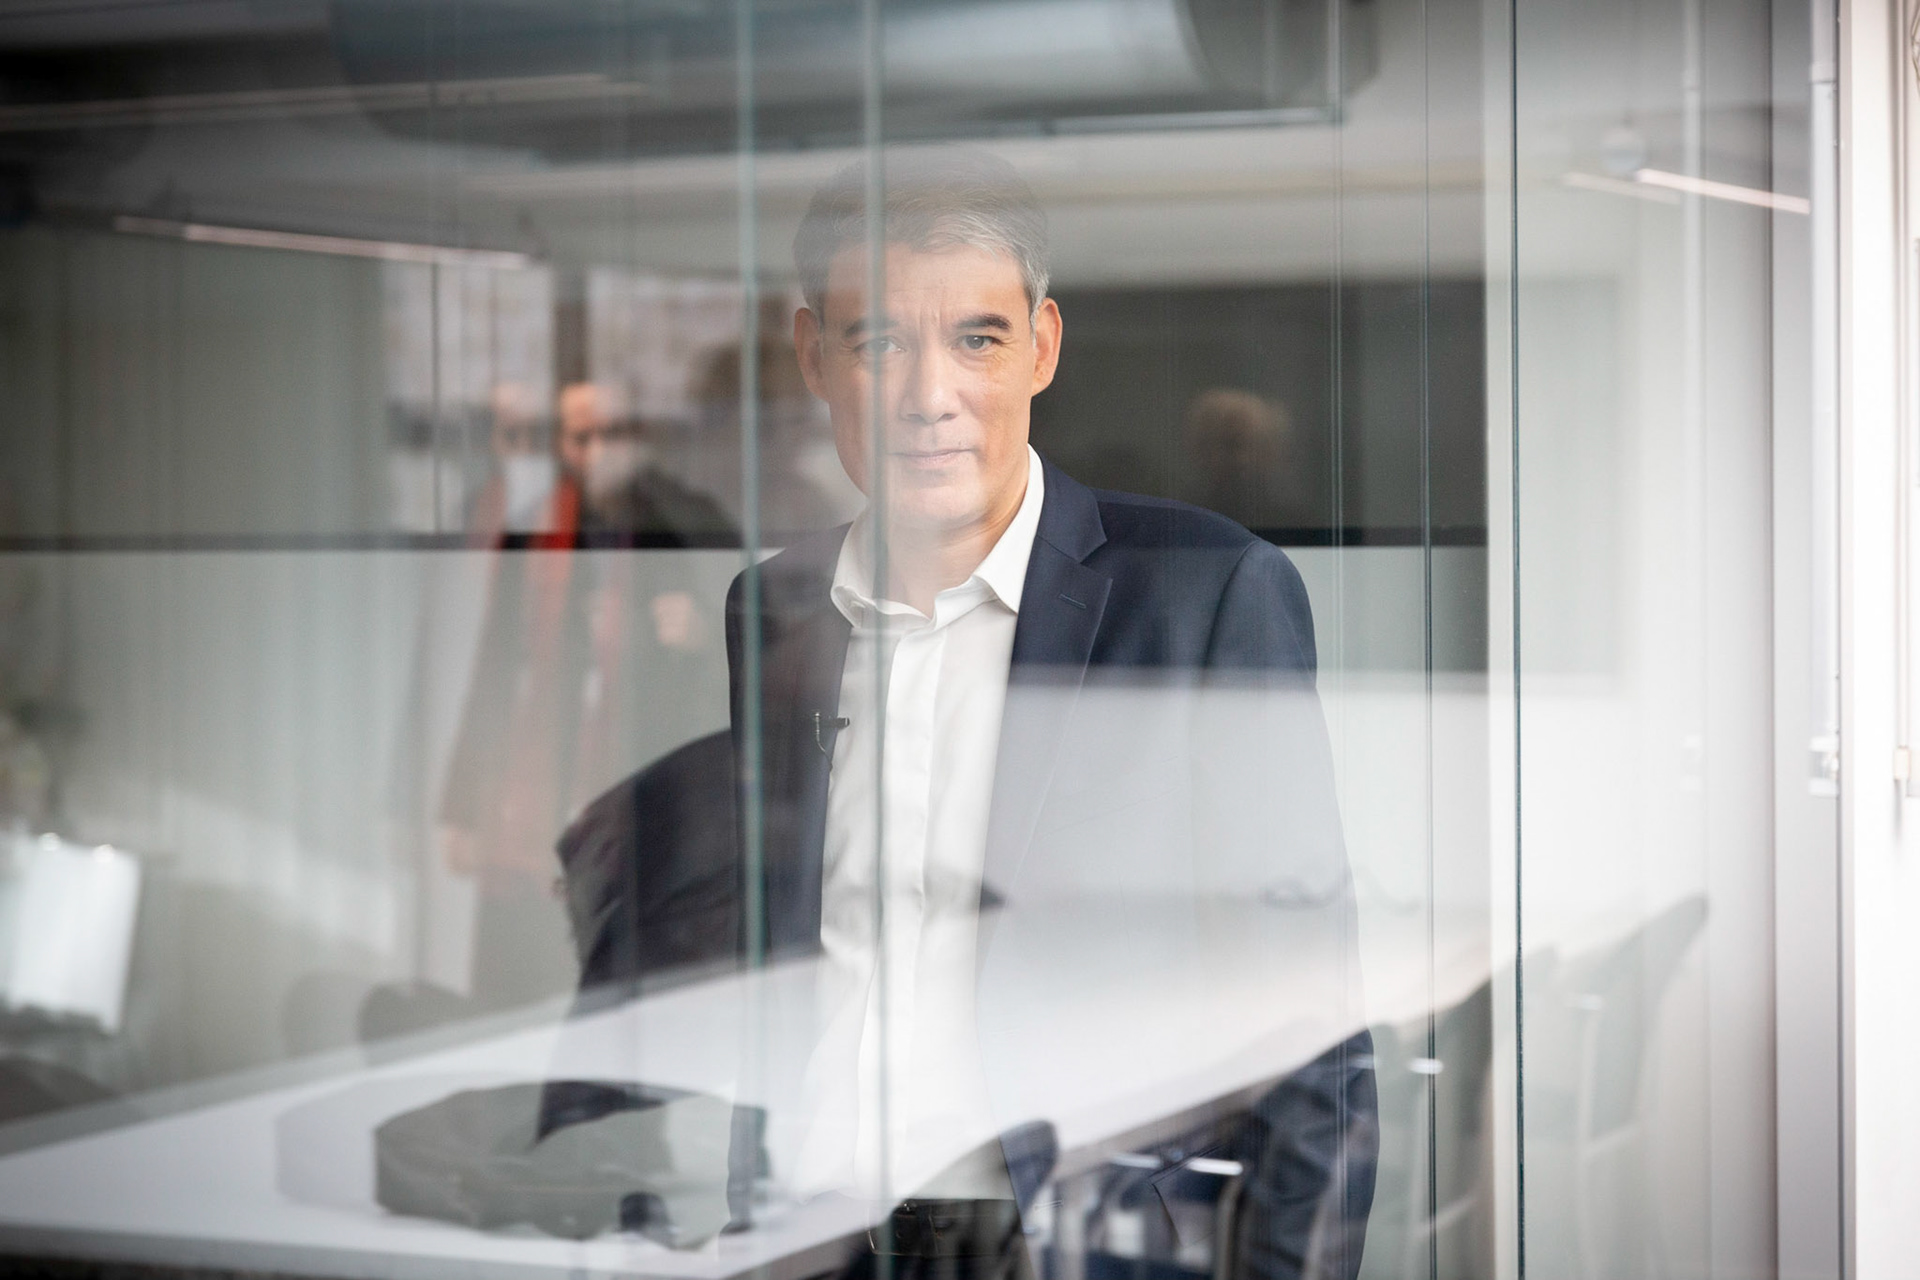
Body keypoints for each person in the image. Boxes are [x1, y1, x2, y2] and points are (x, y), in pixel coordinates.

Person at [713, 152, 1378, 1279]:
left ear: (1043, 346)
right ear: (813, 356)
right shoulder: (772, 604)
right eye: (879, 341)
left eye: (977, 337)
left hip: (1070, 1242)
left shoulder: (1205, 593)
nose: (931, 395)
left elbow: (1305, 1030)